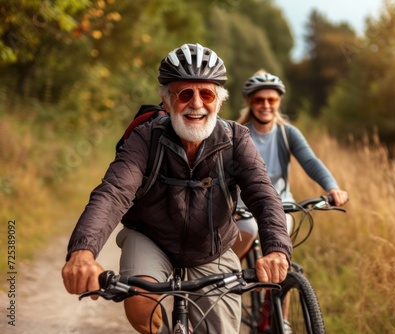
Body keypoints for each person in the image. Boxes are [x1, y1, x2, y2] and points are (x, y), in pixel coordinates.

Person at [61, 44, 292, 334]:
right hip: (151, 238)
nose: (196, 104)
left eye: (206, 94)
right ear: (167, 102)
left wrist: (276, 251)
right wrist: (82, 252)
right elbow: (113, 193)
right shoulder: (146, 138)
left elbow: (263, 195)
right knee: (141, 306)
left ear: (218, 101)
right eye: (185, 94)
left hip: (211, 247)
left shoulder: (235, 139)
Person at [232, 70, 349, 268]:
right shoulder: (237, 133)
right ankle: (231, 280)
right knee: (249, 229)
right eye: (260, 100)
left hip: (280, 205)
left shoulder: (287, 133)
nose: (266, 105)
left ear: (279, 102)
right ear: (250, 102)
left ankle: (276, 296)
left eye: (272, 100)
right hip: (243, 209)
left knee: (281, 258)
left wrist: (332, 187)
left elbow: (310, 161)